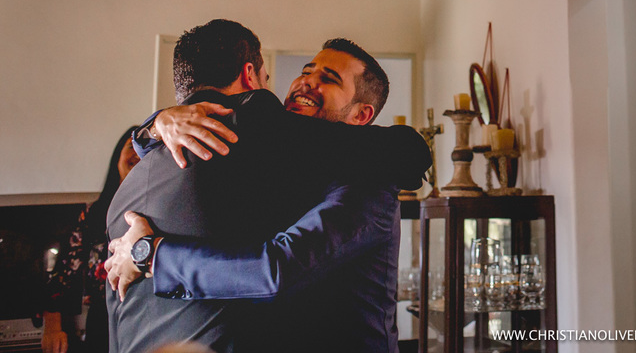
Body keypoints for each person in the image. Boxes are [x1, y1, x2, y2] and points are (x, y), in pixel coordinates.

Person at [104, 20, 427, 353]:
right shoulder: (272, 163)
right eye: (306, 70)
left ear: (361, 116)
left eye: (328, 79)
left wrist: (152, 255)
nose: (306, 82)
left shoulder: (367, 180)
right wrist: (157, 125)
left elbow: (275, 269)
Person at [42, 128, 140, 353]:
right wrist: (52, 325)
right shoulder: (93, 214)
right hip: (103, 322)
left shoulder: (165, 211)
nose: (137, 153)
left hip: (150, 318)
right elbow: (62, 276)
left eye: (145, 147)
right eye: (131, 146)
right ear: (117, 158)